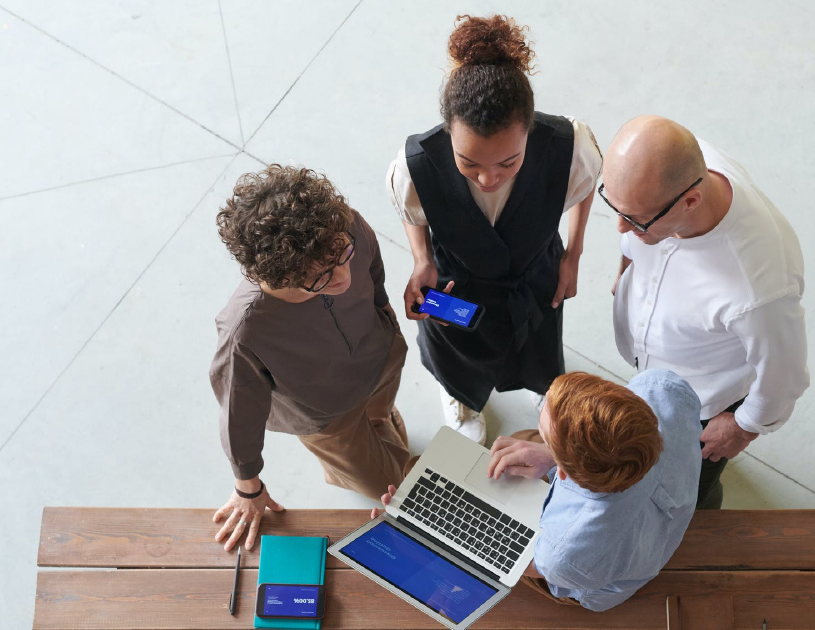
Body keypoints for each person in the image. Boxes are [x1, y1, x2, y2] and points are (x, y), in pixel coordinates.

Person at [386, 14, 602, 444]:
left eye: (508, 162)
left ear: (530, 129)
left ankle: (545, 390)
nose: (488, 179)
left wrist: (572, 255)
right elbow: (415, 214)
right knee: (455, 351)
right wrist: (422, 259)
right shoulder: (412, 168)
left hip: (533, 270)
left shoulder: (568, 145)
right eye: (469, 164)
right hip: (457, 281)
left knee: (540, 340)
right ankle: (460, 395)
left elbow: (583, 189)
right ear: (449, 133)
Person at [603, 115, 810, 509]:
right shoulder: (670, 173)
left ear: (690, 201)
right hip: (657, 368)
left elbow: (785, 376)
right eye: (615, 207)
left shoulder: (759, 289)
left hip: (700, 405)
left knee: (683, 493)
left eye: (634, 219)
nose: (620, 228)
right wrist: (627, 267)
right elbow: (632, 232)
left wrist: (743, 428)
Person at [372, 369, 701, 611]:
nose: (540, 435)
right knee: (508, 448)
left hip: (596, 581)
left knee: (414, 470)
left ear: (565, 473)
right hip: (658, 523)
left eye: (547, 439)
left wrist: (425, 533)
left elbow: (527, 563)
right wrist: (550, 452)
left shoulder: (563, 554)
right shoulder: (661, 388)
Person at [209, 165, 411, 551]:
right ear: (277, 279)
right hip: (328, 416)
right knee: (387, 484)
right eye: (319, 279)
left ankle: (380, 420)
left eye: (342, 255)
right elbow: (238, 414)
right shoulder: (245, 333)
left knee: (380, 413)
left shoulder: (340, 229)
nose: (342, 278)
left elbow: (371, 266)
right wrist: (248, 487)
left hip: (380, 353)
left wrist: (383, 308)